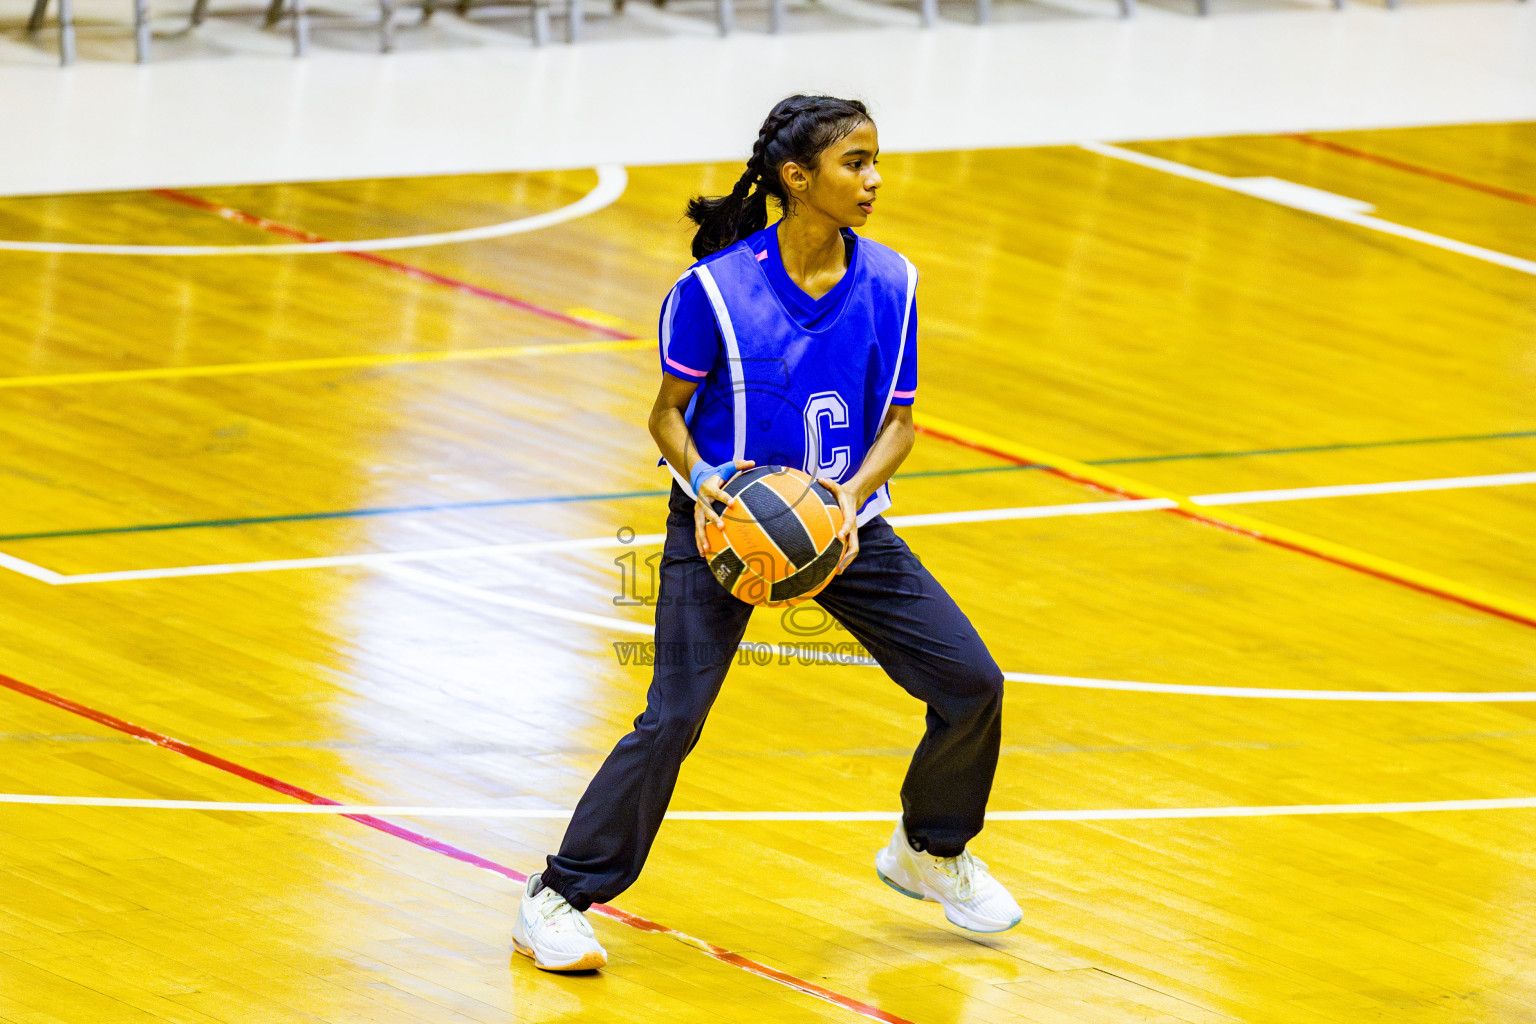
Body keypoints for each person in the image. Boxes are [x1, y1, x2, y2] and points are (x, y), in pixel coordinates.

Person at [512, 94, 1020, 972]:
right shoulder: (711, 292)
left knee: (971, 683)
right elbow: (667, 416)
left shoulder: (892, 280)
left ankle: (928, 850)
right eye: (854, 162)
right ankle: (556, 897)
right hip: (724, 530)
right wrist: (707, 486)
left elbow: (899, 423)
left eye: (873, 160)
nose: (874, 178)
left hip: (842, 528)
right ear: (798, 177)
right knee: (672, 718)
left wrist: (844, 502)